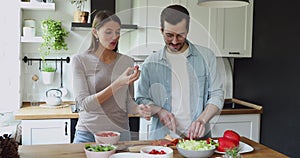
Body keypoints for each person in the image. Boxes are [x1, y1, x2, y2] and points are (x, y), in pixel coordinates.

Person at [136, 4, 224, 140]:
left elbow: (216, 94)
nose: (175, 41)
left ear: (187, 31)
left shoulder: (207, 57)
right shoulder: (150, 63)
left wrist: (202, 120)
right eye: (169, 35)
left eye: (180, 35)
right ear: (161, 30)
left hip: (199, 140)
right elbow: (141, 98)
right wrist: (159, 111)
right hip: (163, 140)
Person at [71, 10, 141, 143]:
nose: (115, 36)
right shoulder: (80, 60)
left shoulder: (127, 62)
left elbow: (129, 103)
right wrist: (118, 83)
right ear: (95, 32)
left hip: (121, 134)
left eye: (118, 32)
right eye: (108, 32)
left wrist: (140, 109)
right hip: (88, 135)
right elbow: (85, 105)